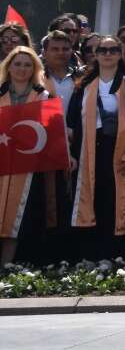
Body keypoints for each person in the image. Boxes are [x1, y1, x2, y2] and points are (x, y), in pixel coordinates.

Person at [67, 33, 125, 263]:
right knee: (92, 199)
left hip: (122, 152)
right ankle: (90, 257)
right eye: (102, 50)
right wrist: (71, 155)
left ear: (120, 54)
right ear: (95, 54)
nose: (108, 54)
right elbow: (72, 123)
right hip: (89, 152)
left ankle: (117, 256)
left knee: (120, 202)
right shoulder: (83, 85)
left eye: (113, 50)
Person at [0, 47, 61, 266]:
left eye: (27, 64)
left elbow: (53, 132)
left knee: (19, 217)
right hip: (1, 165)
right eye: (17, 64)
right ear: (8, 67)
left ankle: (8, 265)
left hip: (29, 170)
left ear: (34, 68)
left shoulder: (43, 96)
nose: (22, 69)